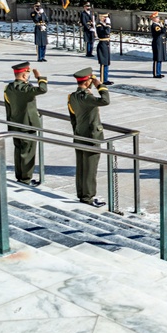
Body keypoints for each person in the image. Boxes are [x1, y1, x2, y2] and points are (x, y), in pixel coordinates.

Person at [68, 67, 109, 207]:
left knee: (81, 166)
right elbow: (105, 101)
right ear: (87, 82)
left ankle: (81, 193)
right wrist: (100, 86)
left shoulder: (72, 96)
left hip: (79, 133)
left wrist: (77, 131)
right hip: (91, 136)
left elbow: (73, 118)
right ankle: (88, 197)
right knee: (90, 168)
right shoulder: (87, 97)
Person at [3, 61, 47, 186]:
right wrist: (40, 78)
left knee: (19, 151)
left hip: (15, 123)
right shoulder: (25, 88)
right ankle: (26, 179)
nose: (28, 76)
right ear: (24, 75)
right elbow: (43, 89)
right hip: (28, 124)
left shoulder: (9, 87)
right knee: (28, 152)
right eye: (27, 73)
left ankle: (20, 176)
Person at [95, 13, 113, 84]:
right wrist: (108, 24)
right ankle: (103, 80)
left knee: (106, 62)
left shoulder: (104, 25)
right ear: (101, 18)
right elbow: (107, 32)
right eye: (105, 17)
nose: (106, 19)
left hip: (106, 44)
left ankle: (106, 79)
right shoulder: (99, 25)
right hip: (102, 44)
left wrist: (107, 25)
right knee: (103, 63)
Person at [150, 12, 167, 78]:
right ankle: (156, 73)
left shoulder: (159, 25)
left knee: (160, 58)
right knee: (157, 58)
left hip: (160, 42)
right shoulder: (155, 25)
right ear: (153, 19)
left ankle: (159, 72)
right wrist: (166, 25)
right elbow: (161, 32)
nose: (158, 18)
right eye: (157, 17)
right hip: (157, 43)